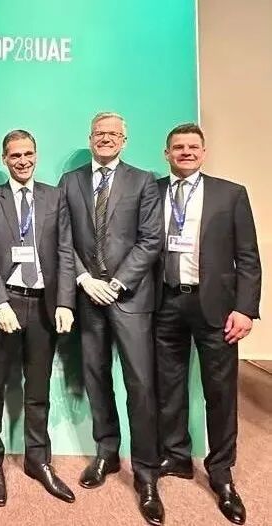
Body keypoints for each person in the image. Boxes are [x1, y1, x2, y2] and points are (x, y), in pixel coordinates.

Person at [58, 112, 164, 525]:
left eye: (113, 134)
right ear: (90, 138)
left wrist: (117, 284)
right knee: (95, 378)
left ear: (124, 140)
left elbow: (151, 240)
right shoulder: (71, 182)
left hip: (129, 298)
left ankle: (146, 473)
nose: (105, 138)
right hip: (88, 296)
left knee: (140, 385)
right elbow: (63, 238)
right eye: (99, 133)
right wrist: (84, 280)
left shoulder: (143, 181)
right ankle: (107, 452)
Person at [155, 123, 261, 526]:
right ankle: (176, 456)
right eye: (178, 147)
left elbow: (248, 257)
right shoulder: (153, 193)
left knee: (220, 391)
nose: (186, 152)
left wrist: (245, 309)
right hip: (165, 302)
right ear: (167, 153)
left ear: (204, 152)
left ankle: (221, 472)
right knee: (169, 386)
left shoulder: (230, 194)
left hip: (215, 308)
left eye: (192, 147)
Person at [0, 129, 76, 507]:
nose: (22, 161)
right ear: (4, 159)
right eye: (15, 155)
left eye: (28, 153)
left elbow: (65, 251)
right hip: (6, 303)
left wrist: (65, 302)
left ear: (36, 155)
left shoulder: (54, 197)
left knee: (38, 390)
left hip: (44, 306)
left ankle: (38, 460)